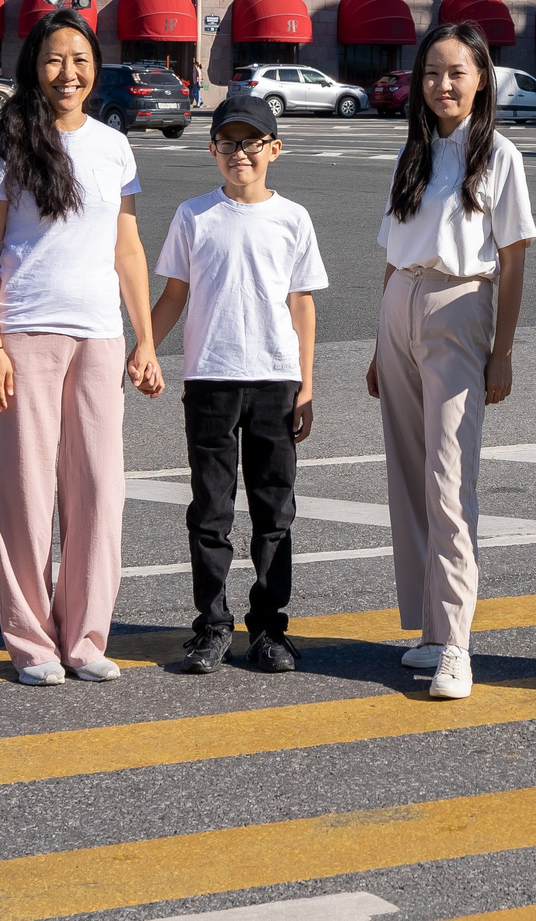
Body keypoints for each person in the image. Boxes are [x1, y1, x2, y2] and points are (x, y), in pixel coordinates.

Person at [0, 9, 164, 685]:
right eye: (55, 59)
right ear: (34, 65)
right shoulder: (8, 139)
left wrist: (145, 338)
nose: (68, 72)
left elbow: (128, 249)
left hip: (100, 337)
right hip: (25, 333)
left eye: (80, 59)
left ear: (95, 66)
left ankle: (84, 636)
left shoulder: (114, 146)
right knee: (25, 493)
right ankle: (32, 643)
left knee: (100, 491)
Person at [369, 20, 536, 702]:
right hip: (400, 304)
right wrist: (380, 343)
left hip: (460, 304)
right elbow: (389, 251)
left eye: (457, 72)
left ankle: (459, 646)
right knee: (410, 475)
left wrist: (503, 349)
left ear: (481, 79)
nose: (443, 83)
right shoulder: (412, 152)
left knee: (449, 478)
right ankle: (433, 628)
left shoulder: (498, 155)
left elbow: (516, 256)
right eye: (433, 72)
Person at [150, 93, 328, 676]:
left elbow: (301, 307)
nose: (240, 153)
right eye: (229, 143)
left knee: (274, 512)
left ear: (275, 149)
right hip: (210, 380)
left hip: (276, 380)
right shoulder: (193, 215)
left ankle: (271, 629)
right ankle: (212, 626)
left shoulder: (293, 217)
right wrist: (143, 346)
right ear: (212, 150)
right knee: (211, 511)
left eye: (253, 142)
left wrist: (306, 385)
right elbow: (174, 294)